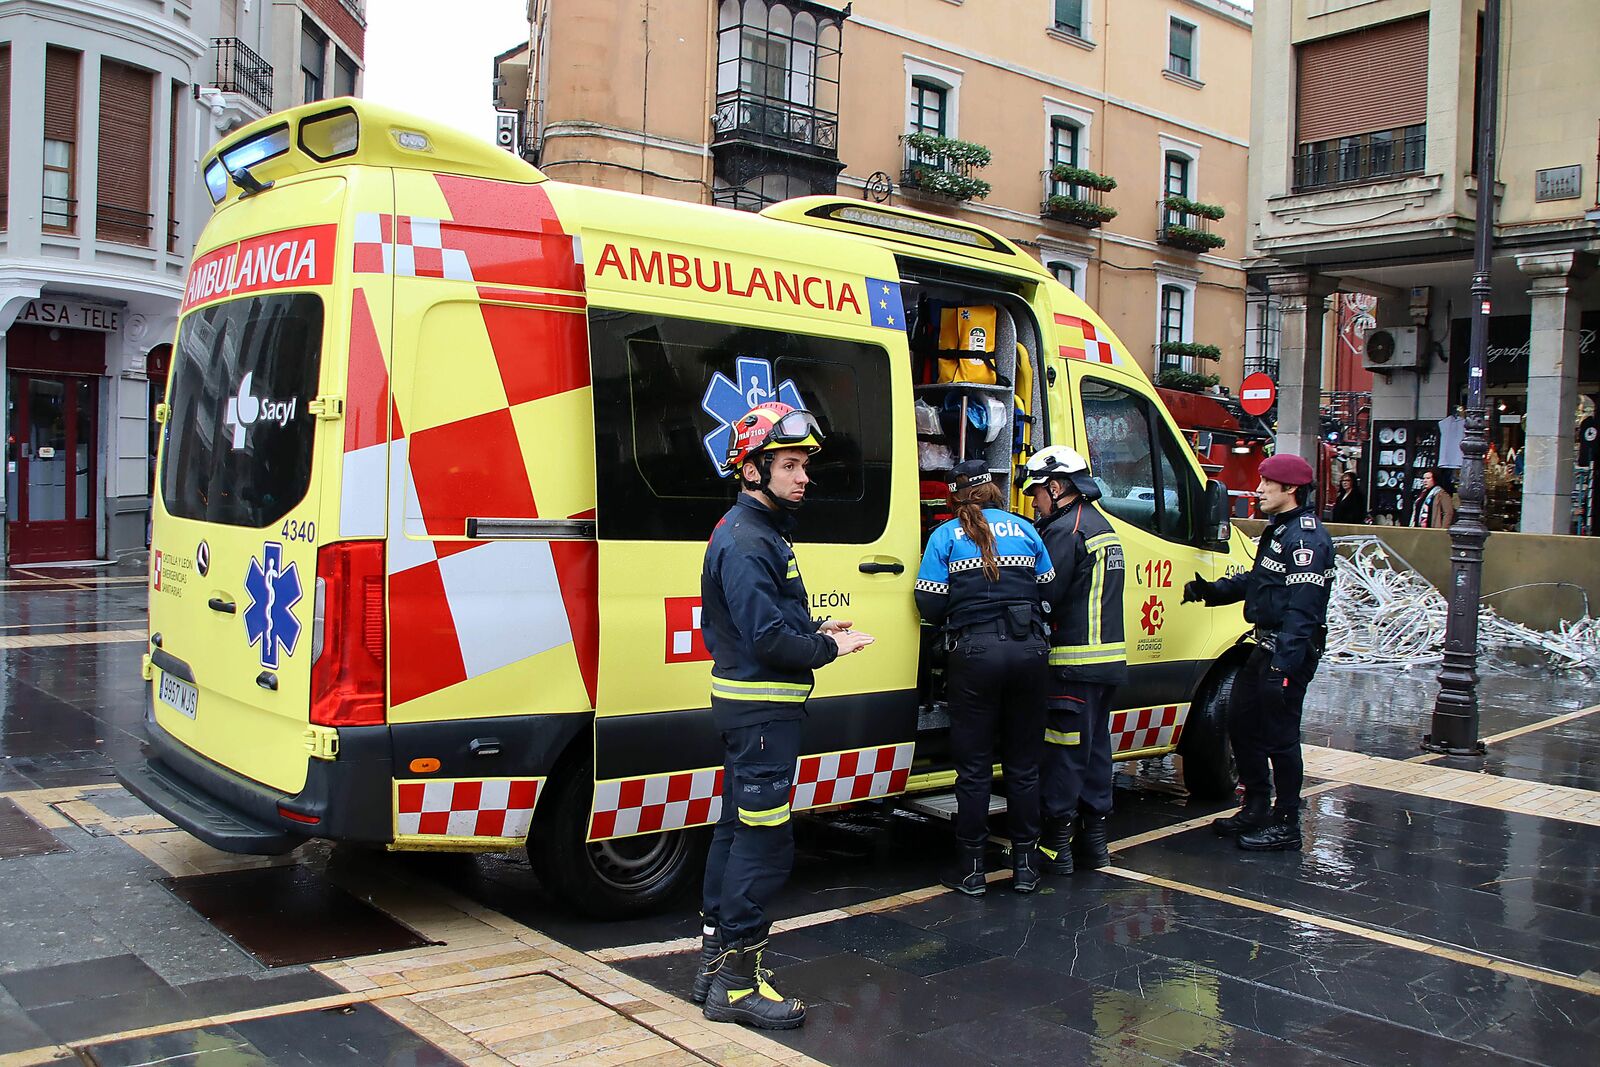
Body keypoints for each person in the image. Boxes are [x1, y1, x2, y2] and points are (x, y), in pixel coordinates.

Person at [696, 401, 874, 1030]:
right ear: (751, 471)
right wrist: (828, 647)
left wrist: (814, 625)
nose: (804, 477)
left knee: (735, 832)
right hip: (764, 715)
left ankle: (717, 967)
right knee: (765, 843)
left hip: (754, 712)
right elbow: (768, 640)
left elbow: (762, 624)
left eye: (804, 466)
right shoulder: (748, 540)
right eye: (790, 465)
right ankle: (738, 988)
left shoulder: (756, 532)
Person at [915, 459, 1055, 896]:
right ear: (994, 490)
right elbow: (1048, 588)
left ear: (956, 495)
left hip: (974, 656)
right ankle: (1027, 868)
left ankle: (972, 868)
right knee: (1024, 766)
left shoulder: (944, 536)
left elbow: (929, 602)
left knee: (974, 768)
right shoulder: (1027, 530)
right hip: (1029, 652)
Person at [1182, 453, 1333, 851]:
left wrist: (1283, 667)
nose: (1260, 489)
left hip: (1286, 650)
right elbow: (1259, 582)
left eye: (1268, 483)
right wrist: (1210, 591)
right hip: (1264, 644)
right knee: (1241, 722)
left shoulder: (1306, 538)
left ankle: (1287, 823)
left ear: (1291, 490)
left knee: (1280, 737)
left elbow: (1303, 608)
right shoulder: (1279, 531)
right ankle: (1256, 806)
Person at [1021, 446, 1127, 874]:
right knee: (1095, 751)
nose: (1033, 501)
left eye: (1037, 492)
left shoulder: (1067, 531)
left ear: (1057, 486)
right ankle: (1095, 844)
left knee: (1063, 753)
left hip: (1071, 665)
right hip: (1105, 666)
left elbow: (1045, 591)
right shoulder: (1100, 525)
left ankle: (1056, 847)